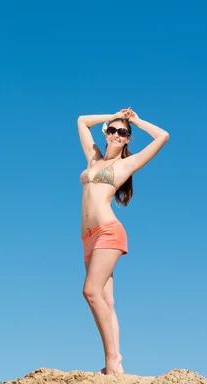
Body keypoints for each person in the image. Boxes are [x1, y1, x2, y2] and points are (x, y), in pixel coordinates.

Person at [77, 107, 169, 376]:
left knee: (91, 292)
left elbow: (163, 136)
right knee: (106, 300)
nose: (117, 134)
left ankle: (113, 359)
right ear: (106, 133)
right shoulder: (94, 159)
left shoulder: (126, 165)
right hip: (88, 237)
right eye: (113, 131)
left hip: (108, 231)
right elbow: (82, 122)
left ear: (128, 138)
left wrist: (136, 121)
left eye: (123, 133)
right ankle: (114, 365)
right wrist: (112, 117)